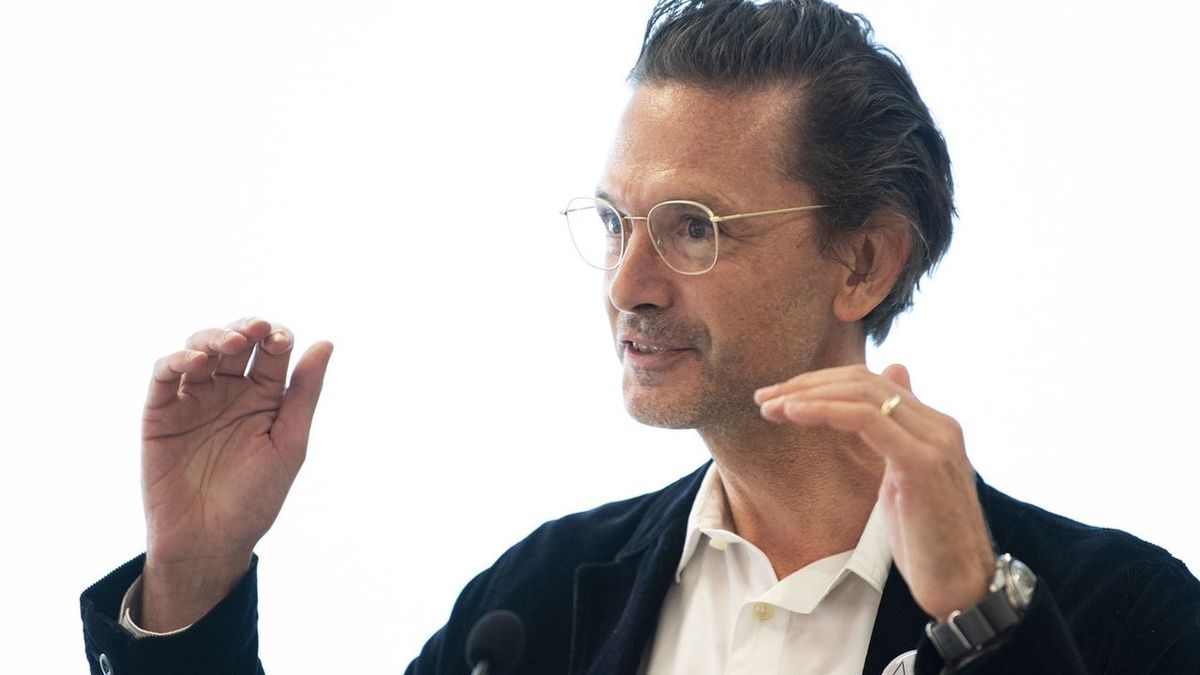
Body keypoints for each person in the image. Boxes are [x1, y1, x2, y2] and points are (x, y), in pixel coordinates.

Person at [80, 1, 1200, 673]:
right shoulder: (538, 602)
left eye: (693, 227)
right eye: (617, 222)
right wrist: (194, 580)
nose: (628, 284)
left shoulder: (1122, 610)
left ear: (862, 262)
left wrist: (981, 618)